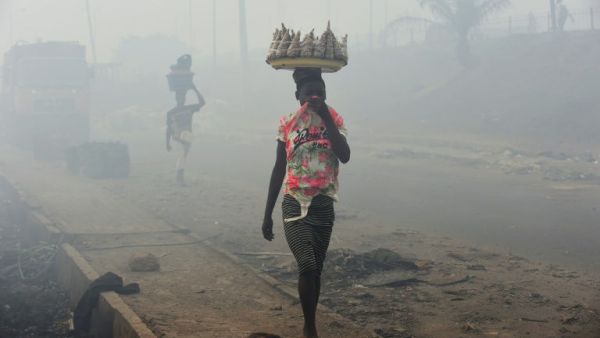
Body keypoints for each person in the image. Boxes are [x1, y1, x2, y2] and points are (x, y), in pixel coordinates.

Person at [261, 68, 350, 338]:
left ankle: (310, 322)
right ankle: (309, 328)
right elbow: (279, 169)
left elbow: (344, 155)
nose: (314, 96)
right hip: (294, 201)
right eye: (309, 92)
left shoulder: (333, 119)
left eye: (319, 92)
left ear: (325, 95)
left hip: (323, 203)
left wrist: (325, 117)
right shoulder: (288, 124)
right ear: (297, 95)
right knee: (307, 265)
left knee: (316, 270)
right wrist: (267, 215)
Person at [166, 85, 205, 186]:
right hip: (177, 138)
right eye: (179, 97)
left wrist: (195, 89)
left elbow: (202, 103)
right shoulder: (171, 112)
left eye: (183, 97)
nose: (181, 99)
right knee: (181, 156)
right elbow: (168, 128)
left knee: (183, 157)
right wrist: (167, 143)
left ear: (184, 99)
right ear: (176, 98)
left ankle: (180, 178)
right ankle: (179, 180)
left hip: (187, 137)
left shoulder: (189, 108)